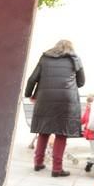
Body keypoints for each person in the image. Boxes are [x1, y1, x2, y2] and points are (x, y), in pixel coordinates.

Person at [24, 39, 85, 177]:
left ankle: (38, 163)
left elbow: (32, 79)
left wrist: (29, 94)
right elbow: (81, 82)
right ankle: (57, 169)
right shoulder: (75, 59)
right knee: (61, 133)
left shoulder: (45, 58)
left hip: (45, 98)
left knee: (43, 130)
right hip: (66, 100)